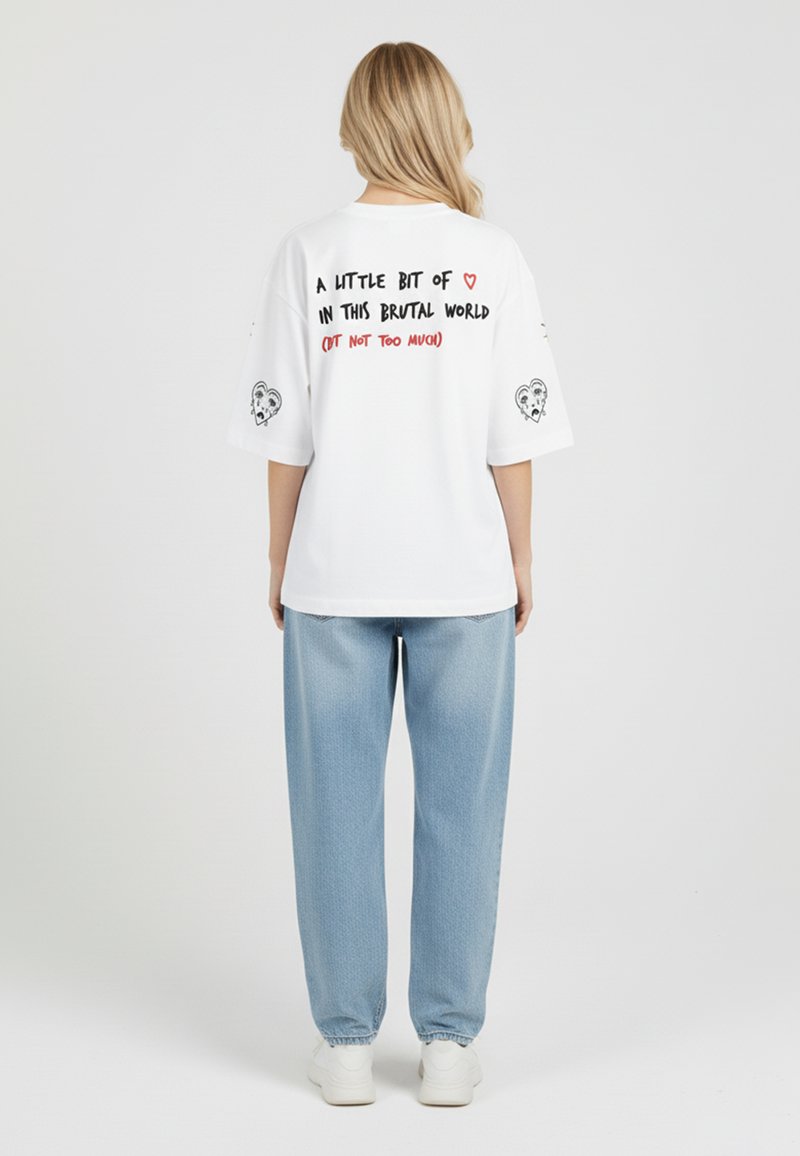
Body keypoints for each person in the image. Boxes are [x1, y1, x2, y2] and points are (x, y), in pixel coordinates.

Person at [226, 41, 574, 1107]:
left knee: (332, 809)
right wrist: (520, 555)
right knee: (462, 810)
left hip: (334, 569)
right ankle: (448, 1046)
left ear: (356, 125)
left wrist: (279, 555)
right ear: (444, 121)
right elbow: (511, 437)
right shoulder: (491, 257)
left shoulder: (308, 254)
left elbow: (284, 436)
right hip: (463, 571)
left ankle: (343, 1046)